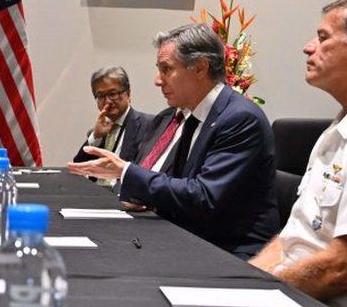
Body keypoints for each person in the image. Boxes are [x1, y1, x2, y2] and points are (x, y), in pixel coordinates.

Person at [68, 23, 279, 258]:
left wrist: (126, 172)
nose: (158, 80)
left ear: (200, 68)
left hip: (229, 251)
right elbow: (177, 183)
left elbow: (204, 197)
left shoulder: (239, 118)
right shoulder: (189, 116)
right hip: (190, 236)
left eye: (166, 69)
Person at [250, 0, 347, 304]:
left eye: (323, 37)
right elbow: (291, 239)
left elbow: (343, 267)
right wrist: (245, 282)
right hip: (295, 292)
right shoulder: (340, 127)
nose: (308, 47)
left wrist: (256, 295)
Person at [72, 66, 155, 166]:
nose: (108, 101)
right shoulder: (96, 133)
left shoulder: (149, 126)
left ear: (128, 93)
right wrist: (95, 137)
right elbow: (78, 167)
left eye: (113, 94)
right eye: (101, 96)